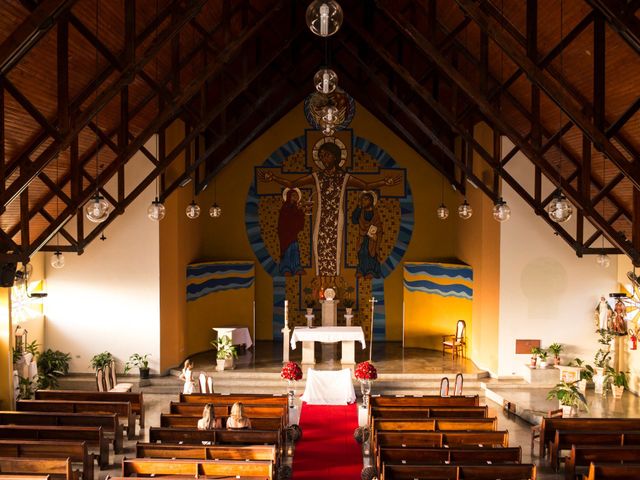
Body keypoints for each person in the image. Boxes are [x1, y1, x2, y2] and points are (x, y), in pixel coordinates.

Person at [259, 140, 400, 277]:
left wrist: (384, 182)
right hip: (321, 219)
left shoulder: (344, 177)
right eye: (321, 157)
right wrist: (273, 178)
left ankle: (335, 278)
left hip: (337, 220)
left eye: (326, 155)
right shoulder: (317, 176)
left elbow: (366, 186)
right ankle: (321, 280)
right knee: (318, 245)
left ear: (336, 156)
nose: (323, 159)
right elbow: (292, 183)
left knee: (336, 248)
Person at [352, 191, 383, 279]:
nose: (363, 201)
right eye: (362, 199)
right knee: (362, 253)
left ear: (371, 200)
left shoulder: (375, 214)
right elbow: (354, 220)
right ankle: (361, 271)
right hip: (362, 237)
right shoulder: (360, 212)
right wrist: (358, 207)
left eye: (366, 199)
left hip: (372, 238)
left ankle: (371, 271)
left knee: (371, 254)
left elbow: (379, 227)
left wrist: (376, 236)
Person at [278, 188, 306, 276]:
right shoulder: (285, 207)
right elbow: (283, 221)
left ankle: (296, 267)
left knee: (295, 250)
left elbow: (300, 221)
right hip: (285, 235)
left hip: (293, 234)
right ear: (289, 197)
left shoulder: (296, 207)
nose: (296, 197)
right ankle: (286, 268)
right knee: (287, 250)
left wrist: (300, 211)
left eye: (296, 195)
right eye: (294, 195)